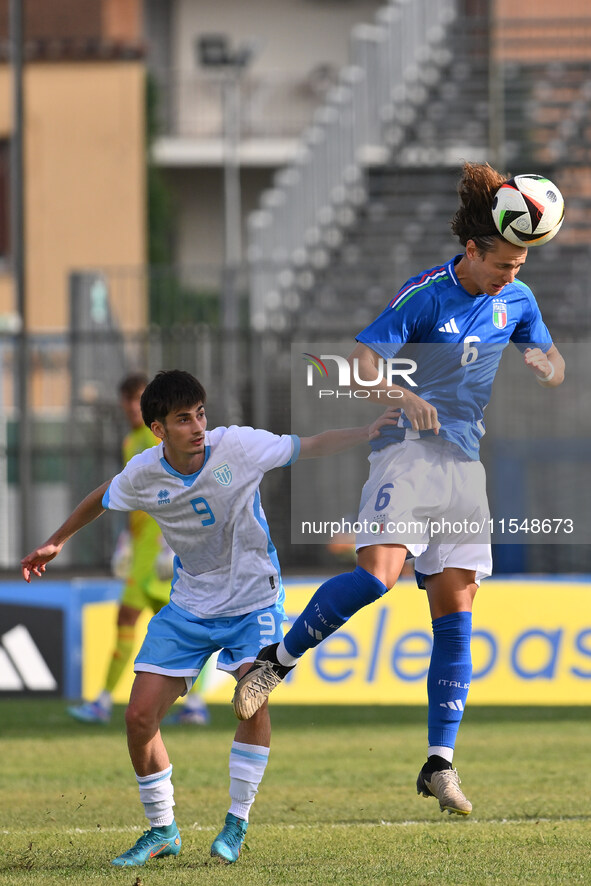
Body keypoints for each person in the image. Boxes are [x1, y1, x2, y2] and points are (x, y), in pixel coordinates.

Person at [233, 162, 566, 816]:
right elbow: (359, 366)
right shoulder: (425, 294)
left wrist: (543, 364)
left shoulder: (516, 300)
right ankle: (275, 661)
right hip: (405, 454)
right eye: (502, 264)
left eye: (520, 266)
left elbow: (549, 361)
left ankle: (438, 763)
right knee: (377, 577)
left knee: (455, 612)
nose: (510, 275)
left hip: (461, 466)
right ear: (472, 249)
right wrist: (402, 395)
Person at [21, 370, 398, 867]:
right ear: (158, 429)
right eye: (183, 419)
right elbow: (102, 496)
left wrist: (365, 432)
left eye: (200, 414)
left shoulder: (237, 447)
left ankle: (237, 821)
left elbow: (310, 444)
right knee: (138, 717)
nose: (198, 427)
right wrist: (58, 539)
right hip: (190, 605)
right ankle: (162, 830)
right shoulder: (143, 472)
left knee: (251, 702)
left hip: (253, 598)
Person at [68, 372, 209, 727]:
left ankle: (195, 703)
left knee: (192, 629)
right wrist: (126, 540)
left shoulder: (159, 437)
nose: (133, 407)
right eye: (128, 400)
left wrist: (167, 544)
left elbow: (177, 489)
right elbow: (132, 495)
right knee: (126, 621)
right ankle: (102, 700)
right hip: (142, 554)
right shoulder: (131, 441)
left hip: (166, 552)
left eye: (138, 399)